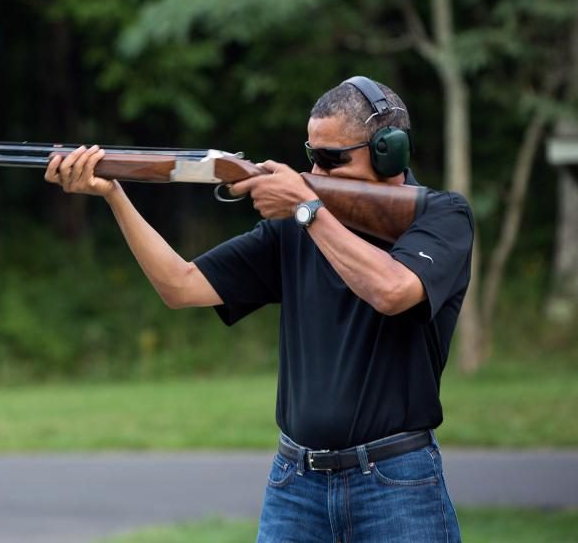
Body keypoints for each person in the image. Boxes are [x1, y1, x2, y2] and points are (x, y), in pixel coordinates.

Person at [45, 77, 472, 542]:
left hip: (396, 483)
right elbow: (180, 286)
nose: (316, 169)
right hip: (297, 484)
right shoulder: (295, 227)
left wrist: (308, 209)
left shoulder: (440, 216)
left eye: (332, 159)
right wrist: (114, 194)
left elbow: (392, 290)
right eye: (312, 155)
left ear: (390, 151)